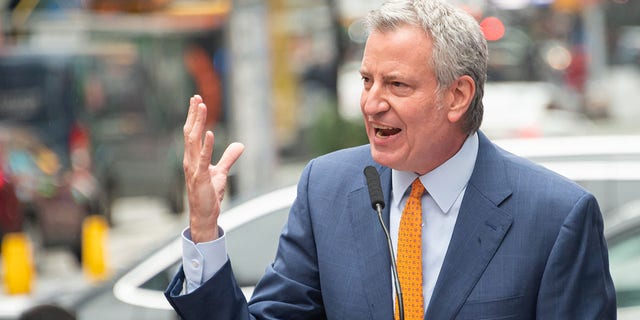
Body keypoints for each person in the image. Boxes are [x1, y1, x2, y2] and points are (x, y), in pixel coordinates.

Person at [165, 0, 617, 319]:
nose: (371, 104)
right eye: (366, 80)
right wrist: (204, 231)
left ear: (457, 95)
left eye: (396, 85)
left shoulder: (557, 217)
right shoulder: (327, 188)